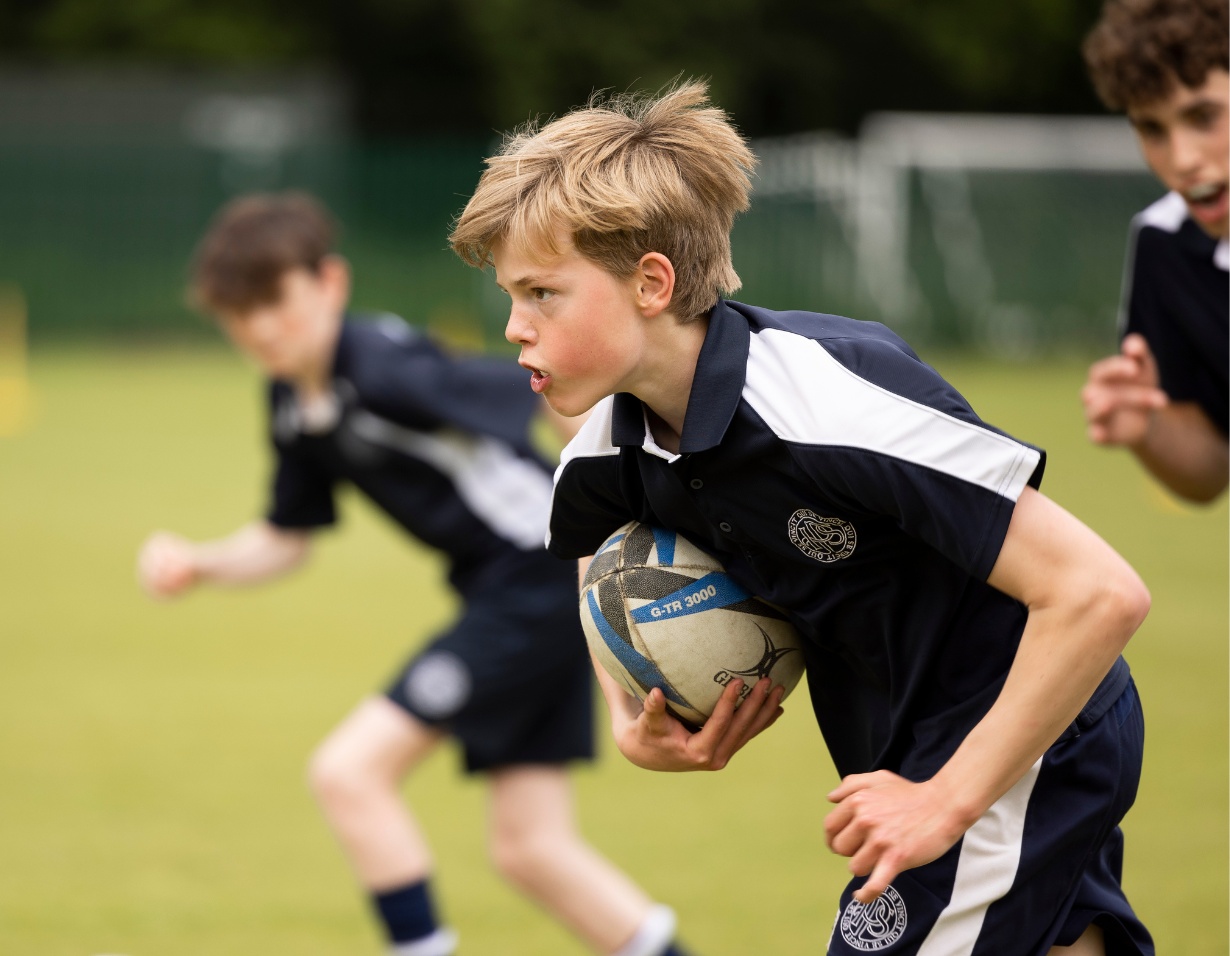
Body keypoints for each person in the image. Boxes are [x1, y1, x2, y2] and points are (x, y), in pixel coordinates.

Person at [449, 82, 1155, 956]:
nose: (514, 328)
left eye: (541, 294)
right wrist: (633, 717)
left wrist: (946, 799)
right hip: (899, 750)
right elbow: (589, 549)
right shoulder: (603, 454)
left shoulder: (831, 400)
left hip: (1017, 735)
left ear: (652, 283)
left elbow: (1098, 593)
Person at [136, 192, 693, 956]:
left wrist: (618, 523)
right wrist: (200, 562)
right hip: (512, 593)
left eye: (277, 301)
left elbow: (550, 397)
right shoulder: (294, 403)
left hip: (538, 579)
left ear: (328, 283)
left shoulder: (385, 367)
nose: (262, 327)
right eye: (240, 313)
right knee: (531, 849)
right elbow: (288, 538)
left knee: (348, 772)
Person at [1080, 0, 1229, 503]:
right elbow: (1211, 468)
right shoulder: (1163, 245)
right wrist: (1150, 428)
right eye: (1153, 130)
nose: (1183, 159)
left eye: (1204, 117)